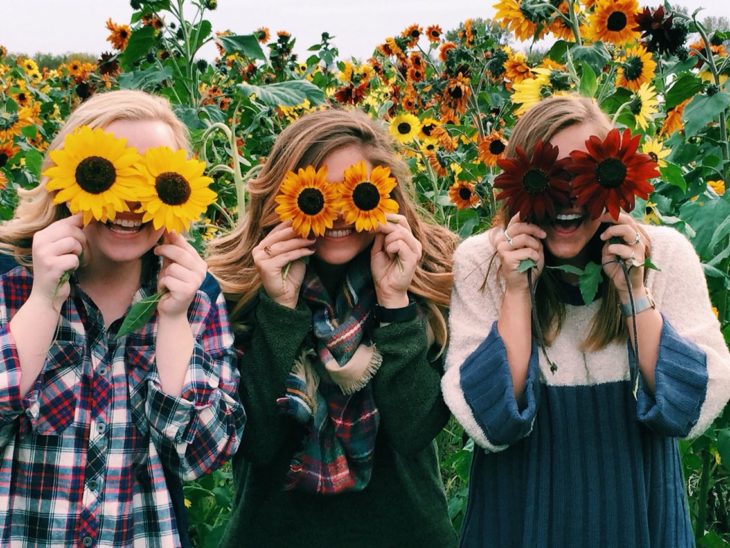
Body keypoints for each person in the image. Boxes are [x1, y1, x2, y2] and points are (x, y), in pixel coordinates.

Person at [442, 95, 730, 547]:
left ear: (616, 178)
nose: (568, 198)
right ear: (521, 182)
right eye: (549, 178)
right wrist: (517, 292)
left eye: (583, 174)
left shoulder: (665, 255)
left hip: (639, 512)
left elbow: (690, 409)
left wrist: (634, 294)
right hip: (519, 513)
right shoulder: (482, 263)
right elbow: (490, 422)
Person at [0, 90, 245, 546]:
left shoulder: (200, 300)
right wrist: (43, 302)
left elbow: (203, 453)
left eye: (152, 181)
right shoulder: (10, 282)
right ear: (68, 177)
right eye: (112, 176)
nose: (131, 203)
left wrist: (172, 319)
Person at [207, 108, 458, 547]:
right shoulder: (234, 290)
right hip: (273, 536)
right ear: (284, 196)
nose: (338, 213)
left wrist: (395, 303)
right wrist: (280, 309)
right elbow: (256, 442)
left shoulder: (427, 278)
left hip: (405, 535)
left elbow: (413, 429)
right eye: (317, 193)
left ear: (384, 195)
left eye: (355, 192)